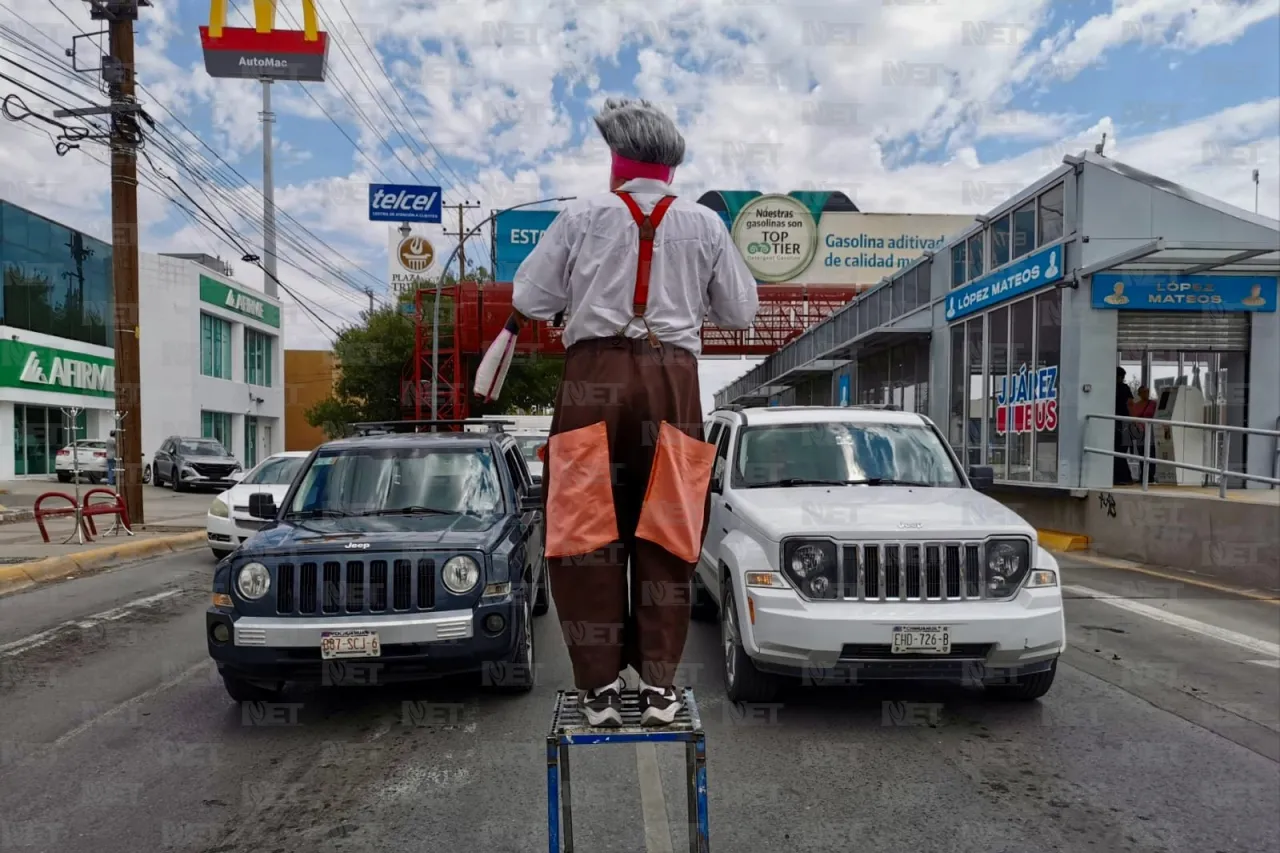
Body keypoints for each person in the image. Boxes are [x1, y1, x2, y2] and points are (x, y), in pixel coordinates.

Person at [507, 98, 759, 727]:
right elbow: (740, 311)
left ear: (616, 162)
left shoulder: (583, 214)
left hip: (592, 379)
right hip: (671, 382)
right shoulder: (704, 225)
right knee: (670, 528)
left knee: (584, 530)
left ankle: (596, 692)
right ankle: (658, 690)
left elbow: (532, 297)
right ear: (671, 166)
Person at [1130, 385, 1158, 482]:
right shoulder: (1136, 405)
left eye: (1147, 391)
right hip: (1140, 432)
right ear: (1139, 394)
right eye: (1144, 392)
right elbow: (1133, 418)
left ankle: (1150, 476)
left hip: (1151, 432)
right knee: (1142, 454)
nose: (1146, 393)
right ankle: (1143, 475)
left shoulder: (1153, 404)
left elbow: (1158, 415)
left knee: (1151, 452)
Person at [1114, 367, 1134, 485]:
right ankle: (1124, 477)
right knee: (1120, 451)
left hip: (1117, 422)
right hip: (1124, 423)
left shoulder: (1112, 388)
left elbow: (1130, 404)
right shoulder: (1125, 388)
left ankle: (1123, 477)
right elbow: (1130, 404)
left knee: (1117, 451)